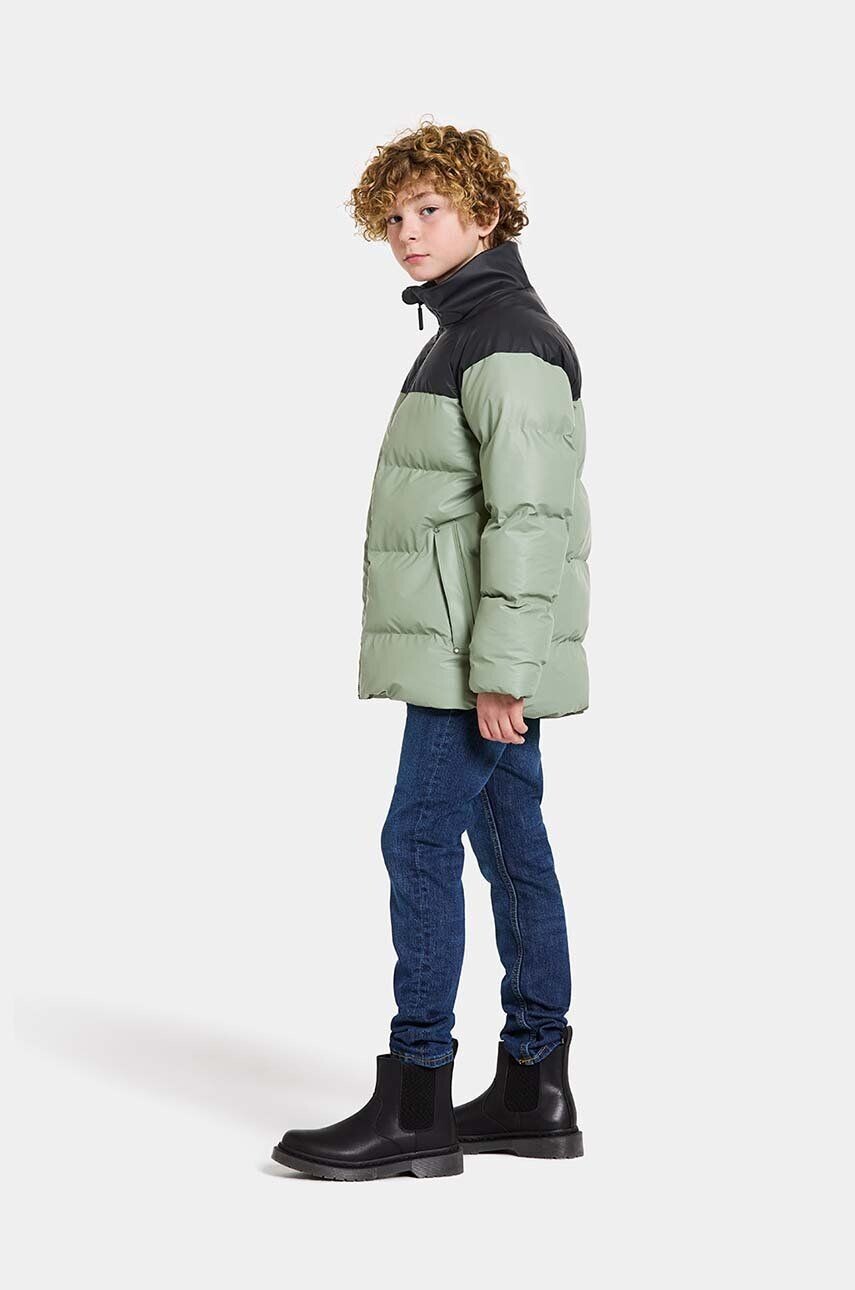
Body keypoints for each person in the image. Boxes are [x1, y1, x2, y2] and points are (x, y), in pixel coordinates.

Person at [272, 121, 591, 1181]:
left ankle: (417, 1099)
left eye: (431, 211)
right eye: (395, 216)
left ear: (484, 216)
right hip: (472, 651)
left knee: (418, 839)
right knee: (511, 845)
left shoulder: (504, 338)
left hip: (472, 663)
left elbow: (529, 517)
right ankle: (533, 1090)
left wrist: (502, 669)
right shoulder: (470, 329)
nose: (407, 233)